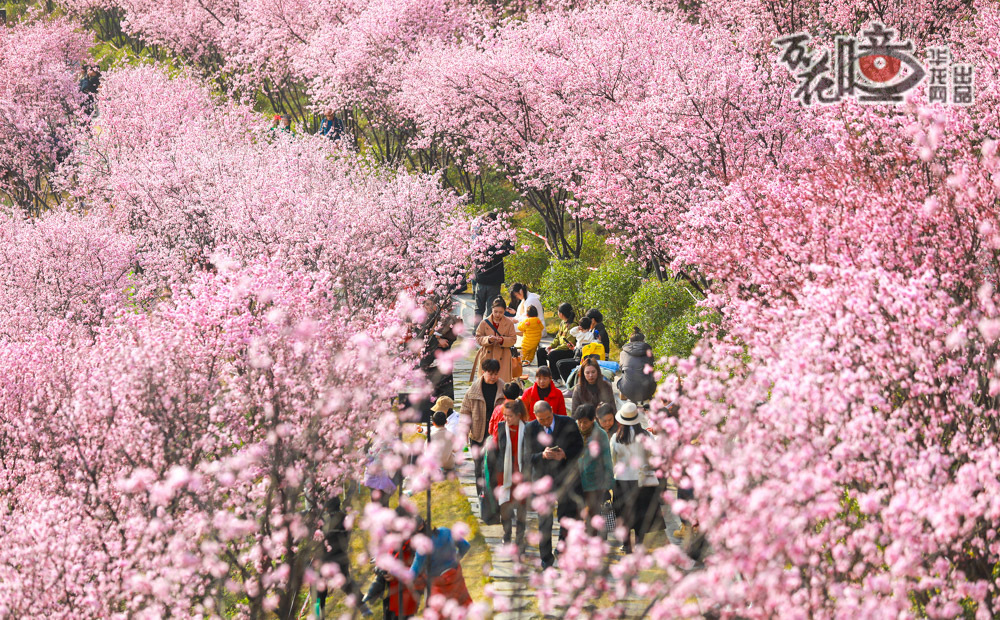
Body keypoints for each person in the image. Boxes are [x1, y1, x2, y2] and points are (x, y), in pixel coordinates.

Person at [523, 400, 584, 569]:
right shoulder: (529, 428)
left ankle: (562, 547)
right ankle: (545, 558)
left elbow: (580, 448)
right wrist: (541, 455)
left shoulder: (568, 422)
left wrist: (565, 454)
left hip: (566, 478)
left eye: (548, 418)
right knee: (544, 521)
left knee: (567, 517)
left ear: (552, 410)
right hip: (543, 480)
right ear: (535, 416)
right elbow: (525, 457)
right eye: (541, 420)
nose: (546, 422)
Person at [611, 403, 664, 553]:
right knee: (641, 513)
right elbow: (653, 456)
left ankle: (627, 545)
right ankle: (640, 543)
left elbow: (612, 460)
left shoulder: (616, 438)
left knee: (624, 514)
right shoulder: (646, 436)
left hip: (622, 480)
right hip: (643, 480)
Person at [361, 508, 422, 619]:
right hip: (390, 596)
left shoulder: (415, 543)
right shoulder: (392, 540)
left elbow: (420, 570)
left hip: (405, 598)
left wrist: (396, 574)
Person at [317, 497, 370, 616]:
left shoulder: (322, 520)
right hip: (341, 556)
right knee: (348, 584)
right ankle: (364, 607)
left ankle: (318, 615)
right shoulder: (345, 518)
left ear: (326, 507)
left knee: (318, 592)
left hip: (324, 559)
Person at [461, 358, 505, 498]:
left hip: (496, 432)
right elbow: (465, 411)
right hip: (478, 431)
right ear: (483, 372)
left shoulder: (503, 388)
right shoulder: (473, 390)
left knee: (494, 463)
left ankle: (493, 492)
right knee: (478, 464)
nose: (493, 377)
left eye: (496, 374)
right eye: (490, 374)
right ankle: (481, 493)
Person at [487, 400, 529, 547]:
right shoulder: (500, 428)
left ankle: (520, 538)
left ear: (518, 415)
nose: (506, 419)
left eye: (509, 416)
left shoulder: (528, 428)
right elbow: (494, 450)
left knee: (522, 507)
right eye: (504, 415)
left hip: (522, 473)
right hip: (504, 473)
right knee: (504, 504)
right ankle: (507, 534)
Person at [573, 404, 614, 537]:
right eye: (579, 422)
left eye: (585, 422)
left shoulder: (600, 435)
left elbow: (607, 460)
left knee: (593, 515)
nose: (582, 425)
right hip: (577, 481)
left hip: (595, 482)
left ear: (593, 420)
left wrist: (608, 485)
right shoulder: (574, 430)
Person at [410, 522, 473, 608]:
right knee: (462, 609)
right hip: (456, 578)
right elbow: (465, 546)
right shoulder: (445, 532)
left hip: (438, 588)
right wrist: (456, 559)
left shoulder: (422, 549)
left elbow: (412, 574)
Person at [471, 213, 513, 327]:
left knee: (478, 308)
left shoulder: (478, 239)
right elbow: (510, 248)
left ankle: (477, 330)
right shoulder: (498, 242)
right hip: (494, 280)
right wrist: (505, 232)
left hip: (481, 278)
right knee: (491, 310)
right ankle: (487, 331)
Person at [417, 296, 460, 402]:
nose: (430, 307)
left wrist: (442, 340)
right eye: (427, 304)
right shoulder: (421, 319)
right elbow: (419, 337)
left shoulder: (445, 318)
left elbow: (449, 340)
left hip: (443, 357)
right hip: (427, 358)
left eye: (432, 304)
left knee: (445, 390)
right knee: (429, 391)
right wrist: (437, 340)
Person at [470, 297, 518, 383]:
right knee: (486, 382)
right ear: (491, 309)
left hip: (503, 356)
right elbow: (478, 338)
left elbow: (513, 339)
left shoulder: (509, 323)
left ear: (505, 311)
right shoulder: (484, 322)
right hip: (487, 354)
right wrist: (488, 339)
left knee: (502, 383)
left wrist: (502, 340)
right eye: (495, 312)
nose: (498, 315)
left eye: (501, 312)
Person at [537, 303, 576, 383]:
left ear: (561, 314)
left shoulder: (573, 326)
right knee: (541, 351)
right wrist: (551, 346)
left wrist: (555, 350)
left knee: (553, 355)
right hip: (560, 349)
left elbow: (567, 344)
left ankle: (556, 379)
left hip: (568, 351)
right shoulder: (562, 323)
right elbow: (558, 337)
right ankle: (543, 375)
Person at [617, 327, 657, 404]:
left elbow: (621, 368)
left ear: (630, 341)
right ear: (643, 341)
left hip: (628, 391)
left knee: (623, 373)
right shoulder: (649, 353)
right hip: (647, 391)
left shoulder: (623, 353)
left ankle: (625, 396)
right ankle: (647, 399)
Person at [555, 316, 595, 383]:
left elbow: (572, 332)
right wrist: (574, 348)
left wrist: (577, 328)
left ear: (580, 326)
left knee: (561, 364)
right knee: (559, 363)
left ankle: (570, 384)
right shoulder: (586, 334)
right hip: (577, 355)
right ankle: (571, 384)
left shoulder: (587, 335)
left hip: (582, 359)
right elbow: (572, 333)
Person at [428, 405, 457, 471]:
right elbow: (455, 449)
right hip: (449, 464)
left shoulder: (431, 435)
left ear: (433, 423)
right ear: (446, 422)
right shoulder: (451, 435)